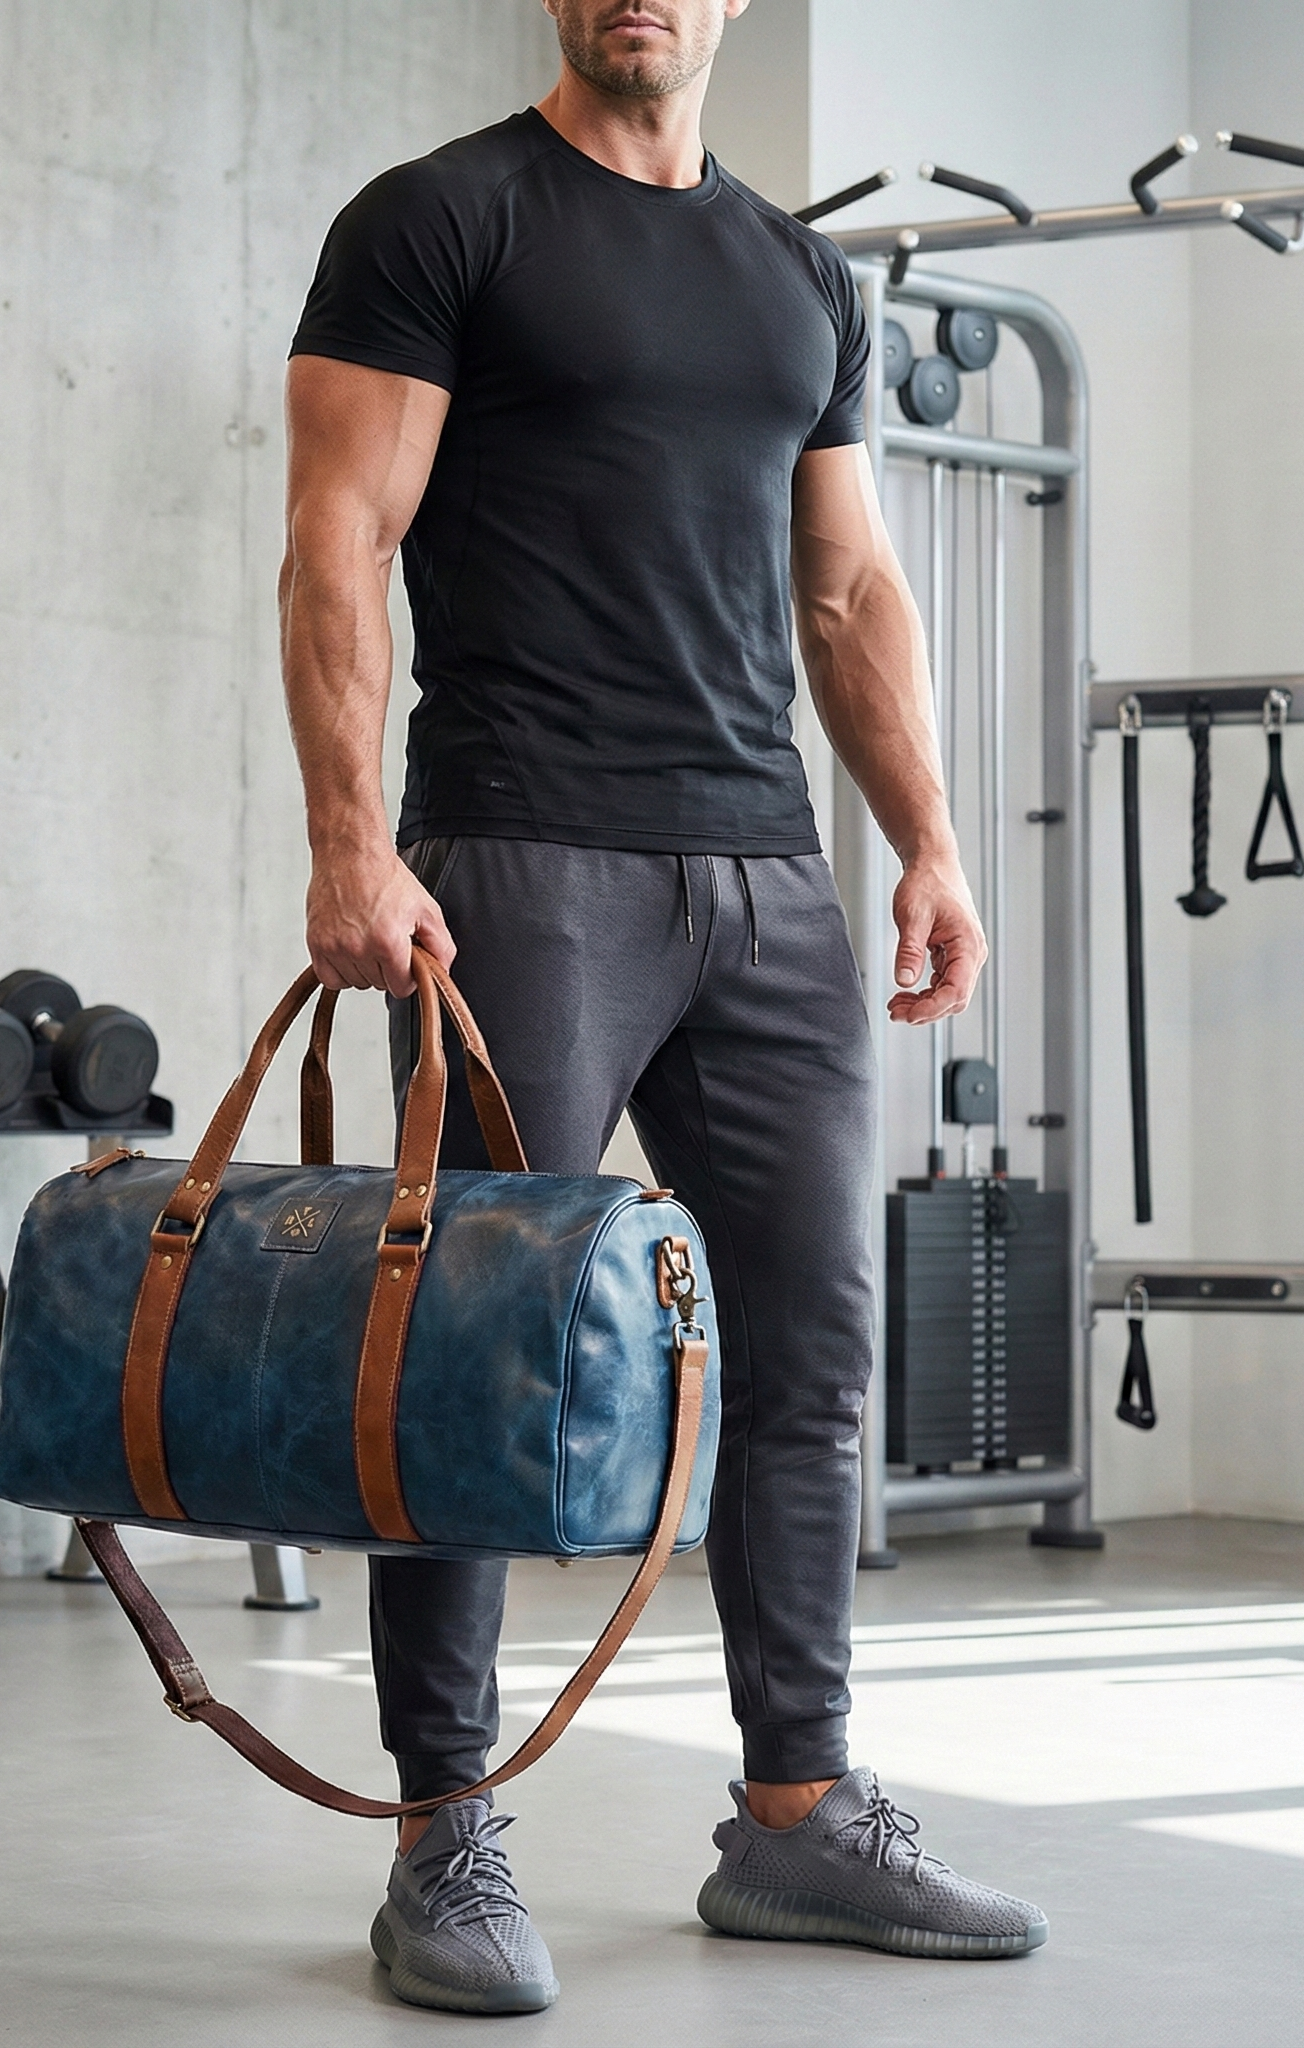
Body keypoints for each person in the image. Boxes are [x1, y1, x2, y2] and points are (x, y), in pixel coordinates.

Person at [280, 0, 1044, 2015]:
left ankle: (793, 1816)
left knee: (809, 1350)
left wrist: (930, 845)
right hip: (521, 860)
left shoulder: (800, 275)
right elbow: (339, 538)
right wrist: (353, 844)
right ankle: (443, 1833)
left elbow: (848, 587)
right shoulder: (440, 222)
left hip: (769, 877)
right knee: (468, 1348)